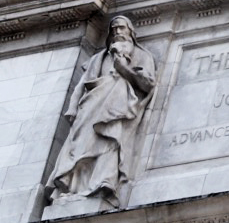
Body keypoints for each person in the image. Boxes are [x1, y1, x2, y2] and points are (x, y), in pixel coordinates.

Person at [47, 14, 157, 207]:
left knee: (110, 140)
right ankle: (74, 188)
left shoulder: (142, 56)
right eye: (113, 29)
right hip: (91, 106)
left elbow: (148, 84)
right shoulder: (99, 58)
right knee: (81, 144)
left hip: (119, 108)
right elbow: (82, 85)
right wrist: (73, 107)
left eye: (121, 28)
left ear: (131, 32)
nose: (117, 32)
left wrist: (124, 69)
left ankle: (102, 183)